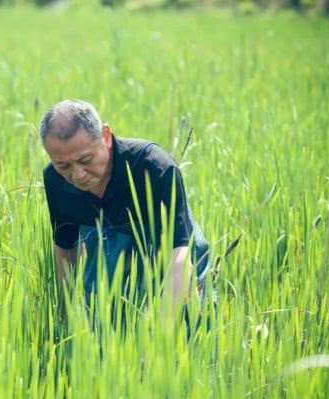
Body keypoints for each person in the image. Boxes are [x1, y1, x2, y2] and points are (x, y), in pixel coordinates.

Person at [40, 99, 211, 326]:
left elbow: (179, 255)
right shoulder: (55, 179)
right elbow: (66, 249)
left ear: (106, 136)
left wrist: (162, 335)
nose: (78, 175)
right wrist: (66, 317)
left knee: (189, 333)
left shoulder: (154, 167)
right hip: (114, 275)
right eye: (64, 166)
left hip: (172, 264)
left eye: (85, 160)